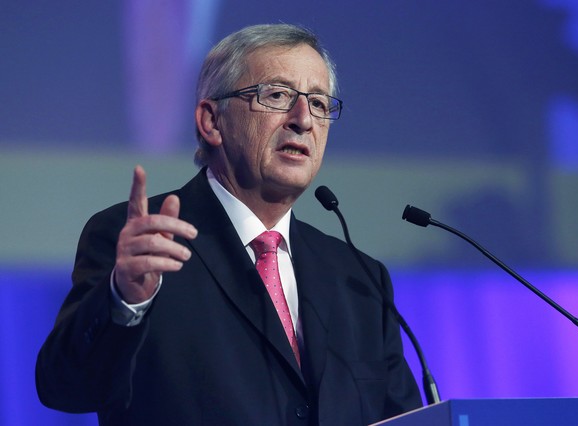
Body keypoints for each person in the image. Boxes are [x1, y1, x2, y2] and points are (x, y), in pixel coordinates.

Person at [36, 23, 421, 425]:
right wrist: (125, 298)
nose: (303, 120)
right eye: (277, 95)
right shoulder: (142, 242)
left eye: (320, 104)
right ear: (211, 121)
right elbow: (65, 387)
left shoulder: (357, 278)